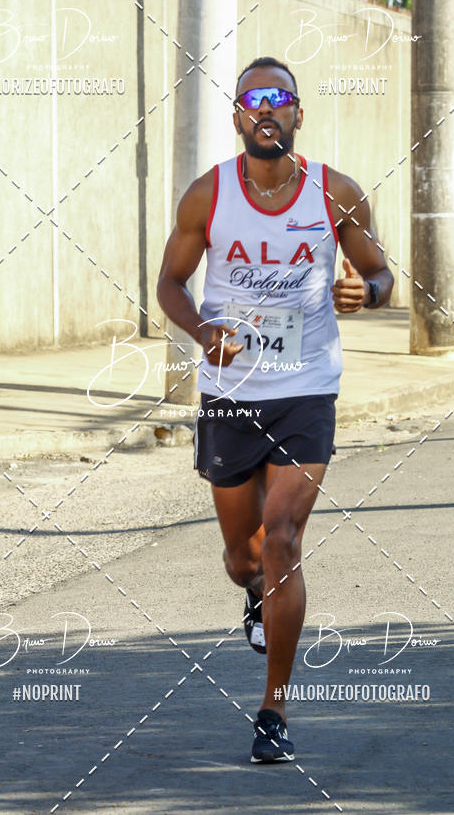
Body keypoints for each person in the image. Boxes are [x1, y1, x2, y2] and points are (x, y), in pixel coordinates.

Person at [156, 56, 393, 763]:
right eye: (253, 98)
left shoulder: (336, 194)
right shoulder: (207, 196)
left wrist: (369, 294)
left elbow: (379, 271)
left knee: (283, 536)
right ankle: (255, 591)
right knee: (242, 556)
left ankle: (273, 709)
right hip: (231, 391)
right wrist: (201, 331)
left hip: (306, 385)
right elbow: (169, 282)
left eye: (280, 98)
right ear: (236, 117)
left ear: (297, 115)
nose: (267, 109)